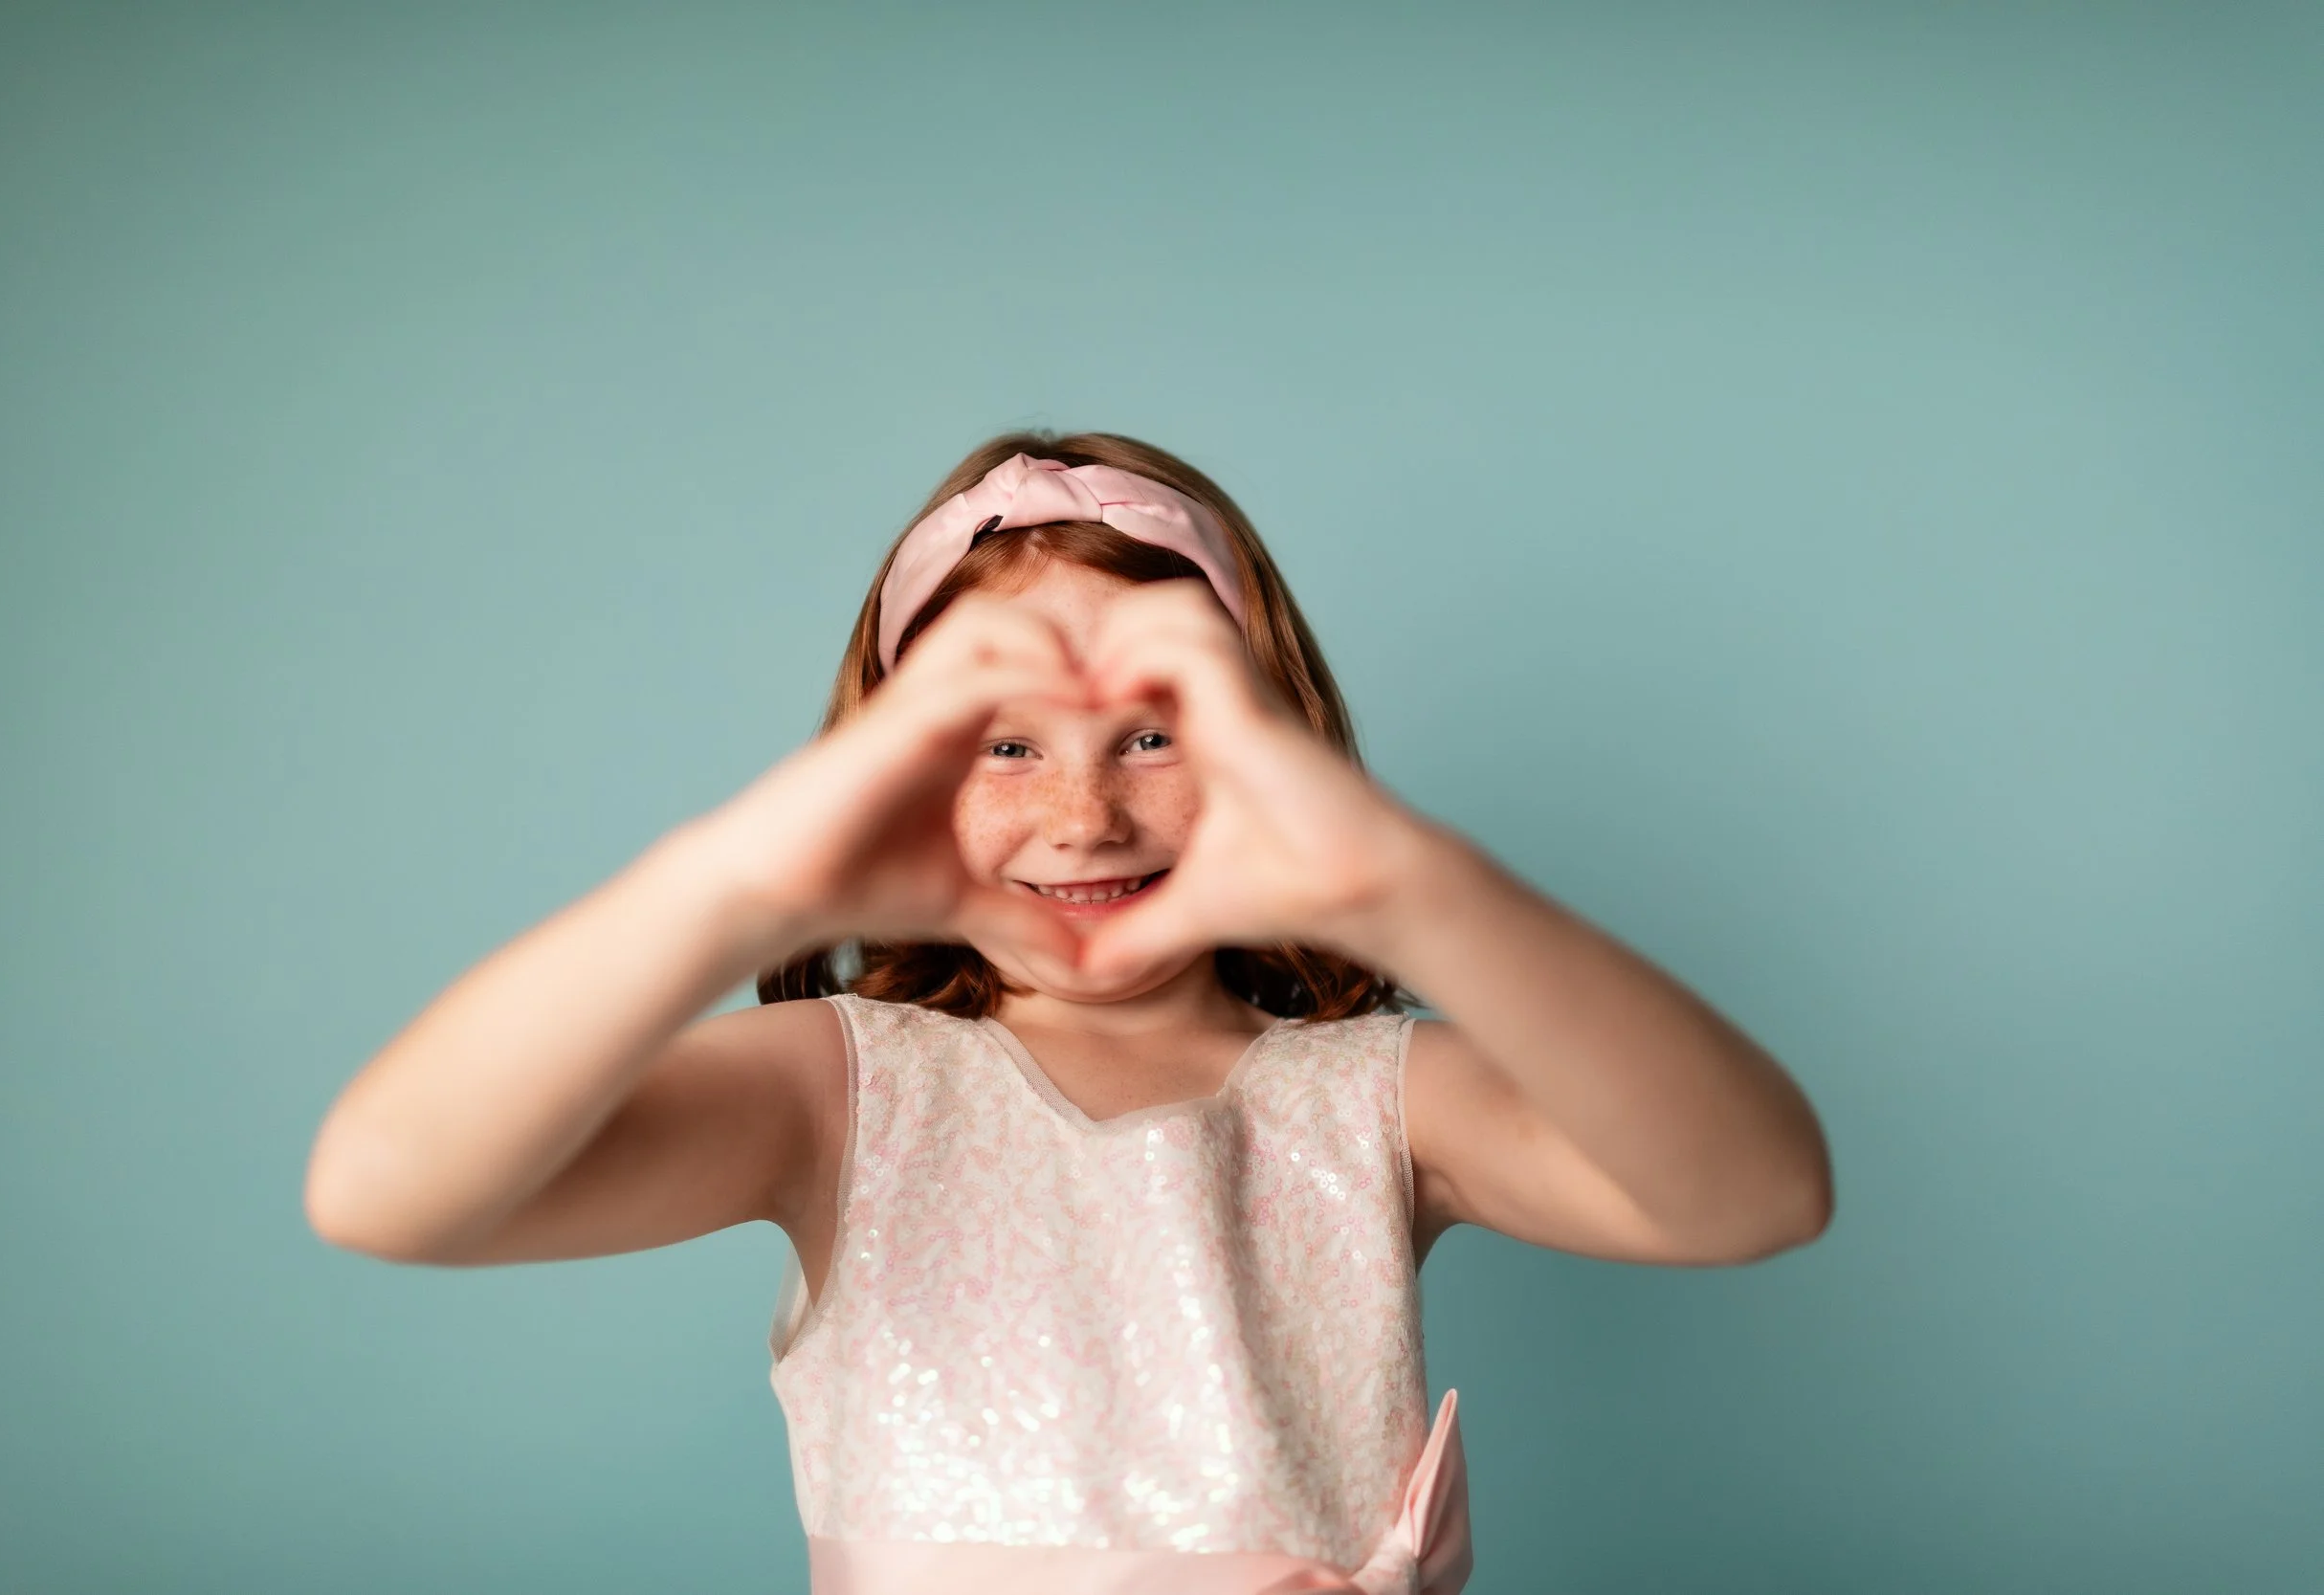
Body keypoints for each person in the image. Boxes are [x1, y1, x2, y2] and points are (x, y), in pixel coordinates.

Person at [305, 431, 1834, 1594]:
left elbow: (1757, 1193)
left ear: (1270, 737)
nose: (1087, 813)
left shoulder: (1375, 1099)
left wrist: (1406, 882)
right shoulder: (838, 1094)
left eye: (1154, 729)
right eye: (1006, 745)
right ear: (891, 766)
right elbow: (388, 1188)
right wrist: (742, 880)